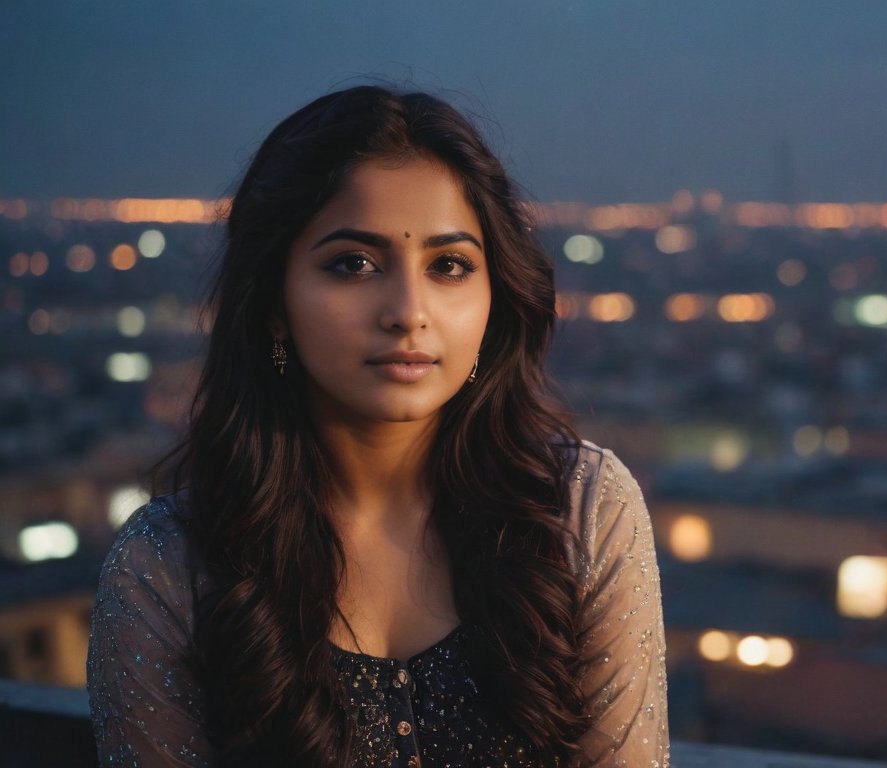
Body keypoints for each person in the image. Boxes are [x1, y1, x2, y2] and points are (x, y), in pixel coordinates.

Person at [86, 85, 669, 768]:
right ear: (273, 301)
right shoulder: (167, 567)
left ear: (494, 297)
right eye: (353, 264)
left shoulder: (581, 510)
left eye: (448, 266)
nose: (408, 311)